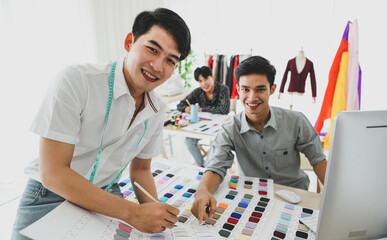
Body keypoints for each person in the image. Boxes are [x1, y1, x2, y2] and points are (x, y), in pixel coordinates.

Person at [12, 8, 191, 239]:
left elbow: (141, 169)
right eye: (152, 49)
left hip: (106, 193)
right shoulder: (76, 81)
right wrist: (134, 213)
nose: (158, 66)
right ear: (129, 42)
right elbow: (53, 173)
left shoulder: (158, 109)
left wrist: (158, 215)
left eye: (170, 60)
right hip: (49, 194)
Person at [191, 56, 327, 223]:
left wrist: (337, 198)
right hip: (254, 199)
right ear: (238, 89)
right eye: (246, 89)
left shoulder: (296, 121)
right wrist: (203, 190)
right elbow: (215, 168)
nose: (252, 97)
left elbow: (319, 160)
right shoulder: (229, 129)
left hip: (295, 198)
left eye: (260, 89)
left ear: (273, 89)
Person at [176, 66, 230, 167]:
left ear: (212, 77)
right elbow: (180, 105)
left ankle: (209, 166)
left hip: (219, 127)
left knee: (217, 142)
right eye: (200, 81)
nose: (204, 83)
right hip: (203, 126)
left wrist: (201, 109)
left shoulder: (223, 89)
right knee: (188, 139)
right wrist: (185, 109)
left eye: (206, 79)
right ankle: (201, 167)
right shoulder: (198, 92)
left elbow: (223, 110)